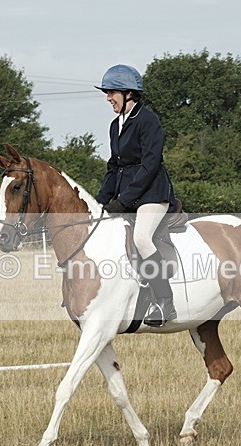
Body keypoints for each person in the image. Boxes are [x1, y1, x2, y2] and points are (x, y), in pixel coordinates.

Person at [94, 64, 177, 327]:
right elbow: (114, 168)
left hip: (152, 193)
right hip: (127, 195)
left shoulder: (148, 121)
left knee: (141, 238)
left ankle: (165, 302)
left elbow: (150, 165)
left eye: (111, 93)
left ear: (129, 93)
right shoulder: (114, 125)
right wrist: (98, 203)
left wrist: (125, 200)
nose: (108, 98)